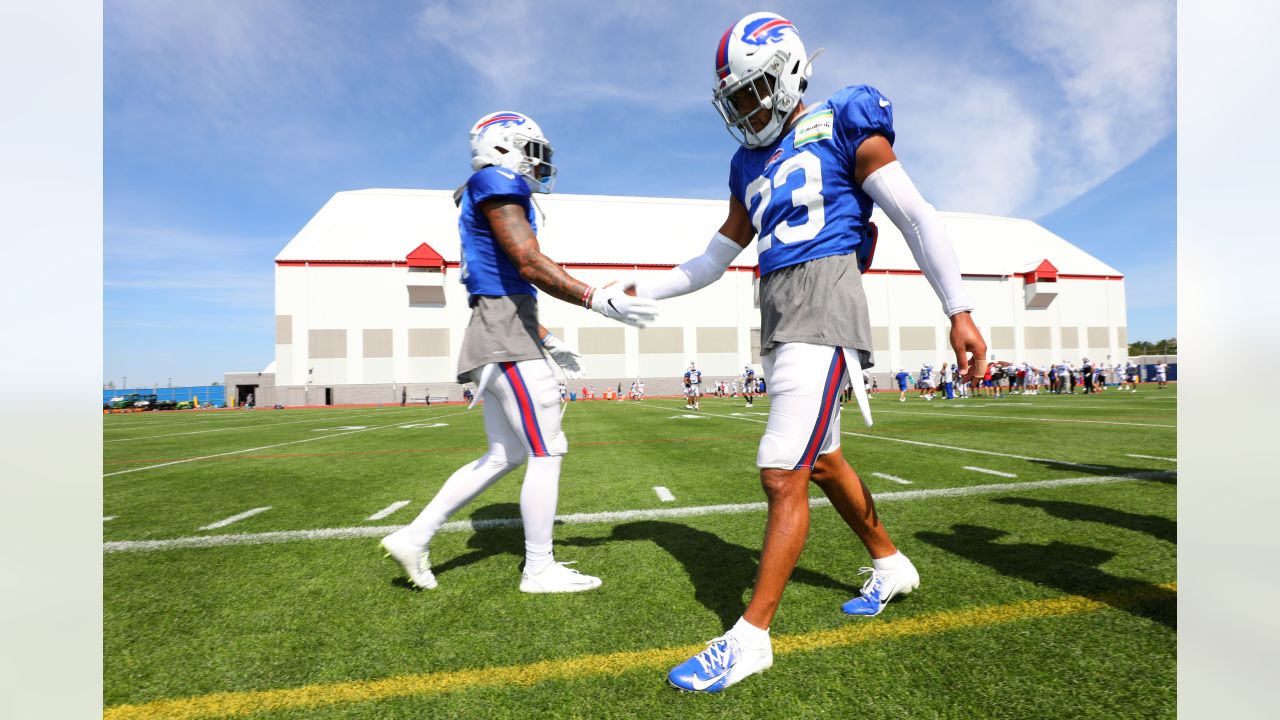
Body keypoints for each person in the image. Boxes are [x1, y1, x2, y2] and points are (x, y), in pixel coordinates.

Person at [626, 13, 986, 692]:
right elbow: (713, 257)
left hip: (825, 300)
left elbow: (914, 214)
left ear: (790, 72)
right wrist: (642, 291)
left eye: (752, 91)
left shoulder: (845, 117)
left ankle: (751, 636)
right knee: (819, 461)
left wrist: (957, 308)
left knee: (779, 470)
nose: (745, 109)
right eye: (734, 99)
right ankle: (890, 562)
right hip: (779, 308)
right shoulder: (747, 163)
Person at [380, 110, 658, 594]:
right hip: (504, 334)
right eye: (530, 149)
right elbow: (527, 262)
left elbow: (502, 282)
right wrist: (594, 297)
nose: (538, 162)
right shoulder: (496, 181)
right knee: (548, 449)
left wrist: (546, 338)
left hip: (501, 327)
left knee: (503, 455)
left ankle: (415, 535)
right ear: (503, 147)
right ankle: (538, 568)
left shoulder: (489, 188)